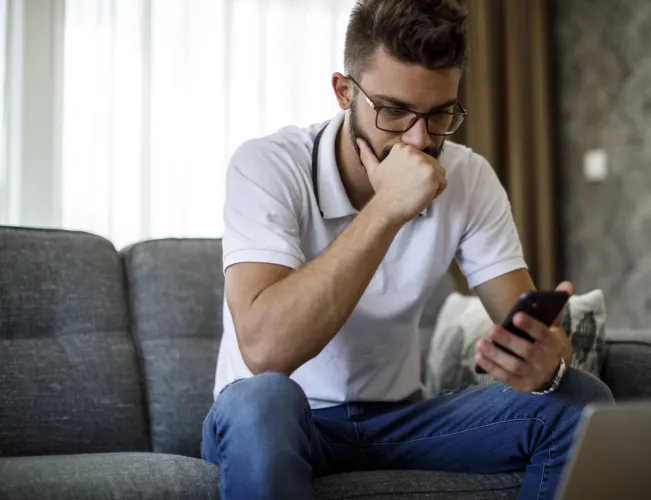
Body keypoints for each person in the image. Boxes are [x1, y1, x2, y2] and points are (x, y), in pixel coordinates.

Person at [201, 1, 614, 498]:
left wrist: (549, 363)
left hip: (400, 422)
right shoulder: (266, 165)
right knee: (260, 400)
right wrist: (388, 208)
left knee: (581, 400)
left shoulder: (470, 177)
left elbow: (536, 335)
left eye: (439, 114)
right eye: (394, 111)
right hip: (281, 422)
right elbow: (267, 351)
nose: (418, 140)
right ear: (344, 91)